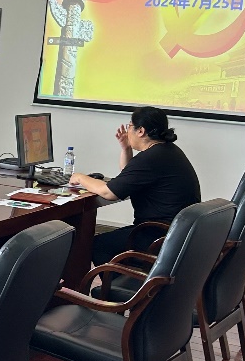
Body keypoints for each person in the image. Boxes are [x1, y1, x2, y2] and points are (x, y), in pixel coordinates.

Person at [68, 106, 201, 266]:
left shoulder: (150, 158)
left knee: (98, 245)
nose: (127, 130)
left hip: (157, 235)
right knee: (105, 242)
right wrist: (126, 149)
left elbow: (109, 192)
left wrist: (80, 177)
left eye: (130, 126)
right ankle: (125, 279)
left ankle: (124, 282)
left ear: (141, 131)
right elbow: (128, 177)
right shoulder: (167, 151)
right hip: (174, 232)